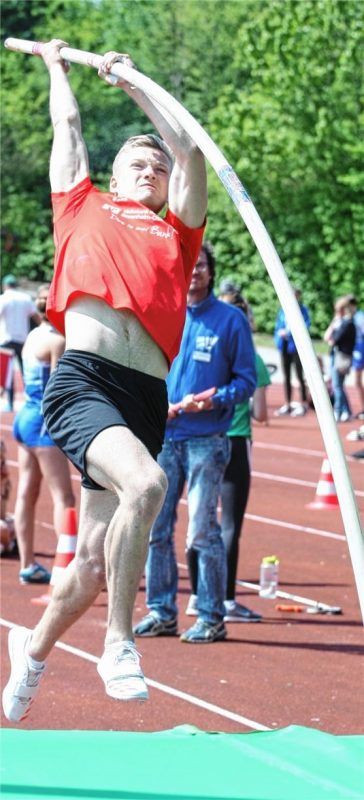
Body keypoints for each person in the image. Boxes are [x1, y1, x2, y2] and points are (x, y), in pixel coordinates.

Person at [2, 40, 207, 722]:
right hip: (84, 381)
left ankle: (29, 651)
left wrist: (135, 85)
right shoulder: (81, 207)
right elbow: (68, 129)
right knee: (148, 484)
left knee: (90, 564)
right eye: (136, 162)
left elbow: (194, 154)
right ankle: (121, 642)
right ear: (115, 175)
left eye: (156, 164)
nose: (149, 169)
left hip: (144, 396)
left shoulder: (177, 236)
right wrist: (58, 68)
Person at [134, 243, 256, 644]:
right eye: (188, 267)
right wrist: (156, 403)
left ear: (210, 272)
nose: (194, 273)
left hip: (207, 439)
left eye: (200, 266)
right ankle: (162, 611)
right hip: (165, 437)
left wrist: (213, 398)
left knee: (201, 533)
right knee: (156, 527)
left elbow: (246, 382)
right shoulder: (163, 313)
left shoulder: (230, 320)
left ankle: (210, 616)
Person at [185, 289, 270, 622]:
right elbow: (261, 412)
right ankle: (227, 599)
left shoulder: (200, 337)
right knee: (229, 523)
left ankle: (195, 595)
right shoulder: (252, 356)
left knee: (198, 519)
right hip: (234, 440)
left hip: (199, 436)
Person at [12, 284, 75, 584]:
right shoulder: (58, 341)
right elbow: (57, 389)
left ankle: (28, 564)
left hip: (25, 417)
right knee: (64, 497)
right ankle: (67, 570)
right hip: (43, 422)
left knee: (27, 492)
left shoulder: (32, 336)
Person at [0, 274, 40, 411]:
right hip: (23, 340)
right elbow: (36, 317)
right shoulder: (25, 298)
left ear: (5, 286)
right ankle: (30, 401)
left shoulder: (3, 298)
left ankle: (10, 403)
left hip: (6, 340)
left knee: (8, 374)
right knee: (26, 372)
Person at [274, 288, 310, 417]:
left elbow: (306, 325)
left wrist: (289, 333)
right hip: (284, 346)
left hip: (296, 346)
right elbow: (278, 326)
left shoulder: (303, 310)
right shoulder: (283, 310)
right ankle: (288, 403)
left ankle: (303, 403)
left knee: (299, 375)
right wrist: (279, 335)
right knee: (286, 375)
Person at [324, 296, 356, 422]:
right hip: (338, 356)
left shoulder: (347, 324)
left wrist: (334, 329)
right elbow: (327, 337)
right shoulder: (342, 323)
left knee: (337, 385)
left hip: (341, 358)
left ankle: (338, 410)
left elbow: (333, 340)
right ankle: (346, 411)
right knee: (338, 385)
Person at [346, 295, 364, 419]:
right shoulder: (350, 317)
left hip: (360, 348)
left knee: (358, 380)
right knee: (357, 381)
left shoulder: (359, 317)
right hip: (355, 348)